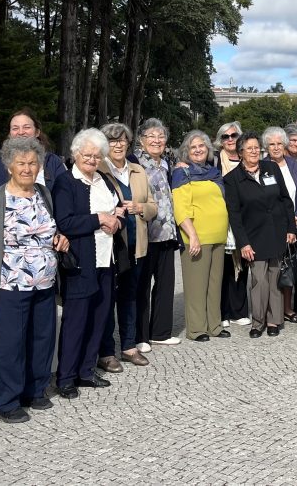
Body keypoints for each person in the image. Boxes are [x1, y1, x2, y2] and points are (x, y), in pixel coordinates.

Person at [0, 137, 69, 422]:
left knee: (41, 341)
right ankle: (6, 402)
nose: (27, 168)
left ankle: (34, 391)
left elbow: (46, 230)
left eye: (33, 163)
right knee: (9, 346)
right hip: (8, 286)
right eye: (21, 163)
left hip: (44, 284)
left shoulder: (42, 194)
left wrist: (59, 238)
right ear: (9, 166)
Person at [53, 129, 126, 398]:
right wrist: (100, 219)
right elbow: (65, 222)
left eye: (97, 156)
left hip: (107, 259)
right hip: (81, 262)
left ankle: (86, 371)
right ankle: (66, 377)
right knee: (76, 320)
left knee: (99, 317)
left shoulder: (103, 179)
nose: (92, 160)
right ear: (75, 154)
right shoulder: (66, 182)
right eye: (87, 155)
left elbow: (118, 210)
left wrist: (117, 221)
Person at [224, 132, 297, 338]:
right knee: (259, 281)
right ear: (241, 152)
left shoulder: (271, 168)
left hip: (277, 232)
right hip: (253, 237)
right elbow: (234, 215)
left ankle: (274, 320)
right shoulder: (232, 179)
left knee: (275, 278)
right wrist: (243, 243)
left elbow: (285, 200)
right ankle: (258, 322)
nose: (255, 151)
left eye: (257, 147)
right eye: (250, 148)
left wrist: (291, 228)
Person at [99, 122, 158, 368]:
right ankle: (106, 352)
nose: (118, 145)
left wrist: (140, 207)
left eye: (122, 140)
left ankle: (129, 346)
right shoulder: (99, 169)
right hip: (110, 248)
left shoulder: (138, 170)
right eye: (112, 141)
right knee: (106, 299)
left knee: (130, 296)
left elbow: (153, 206)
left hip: (136, 246)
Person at [172, 130, 231, 341]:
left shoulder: (213, 172)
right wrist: (192, 235)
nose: (198, 150)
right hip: (197, 236)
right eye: (193, 147)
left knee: (215, 285)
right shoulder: (182, 173)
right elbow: (180, 208)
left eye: (201, 146)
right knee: (196, 286)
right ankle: (197, 329)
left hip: (218, 236)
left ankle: (214, 325)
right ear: (186, 151)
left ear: (208, 149)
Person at [134, 118, 181, 347]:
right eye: (151, 136)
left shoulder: (167, 163)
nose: (156, 140)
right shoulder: (134, 163)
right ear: (141, 139)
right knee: (141, 286)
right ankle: (140, 336)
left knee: (165, 285)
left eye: (161, 136)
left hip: (166, 233)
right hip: (145, 233)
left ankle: (160, 332)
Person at [264, 126, 297, 322]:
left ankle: (287, 308)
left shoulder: (292, 163)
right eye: (271, 144)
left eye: (279, 143)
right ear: (266, 147)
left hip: (294, 223)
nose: (276, 147)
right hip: (271, 225)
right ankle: (270, 310)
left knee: (288, 267)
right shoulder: (262, 165)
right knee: (272, 269)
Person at [212, 120, 250, 327]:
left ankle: (239, 310)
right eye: (225, 136)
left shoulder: (248, 159)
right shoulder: (214, 160)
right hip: (222, 219)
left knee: (243, 263)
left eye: (233, 135)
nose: (229, 139)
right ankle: (223, 311)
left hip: (245, 218)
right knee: (224, 266)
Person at [0, 108, 68, 190]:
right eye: (15, 128)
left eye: (26, 127)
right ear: (10, 134)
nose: (21, 132)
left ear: (37, 132)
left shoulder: (53, 162)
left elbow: (63, 192)